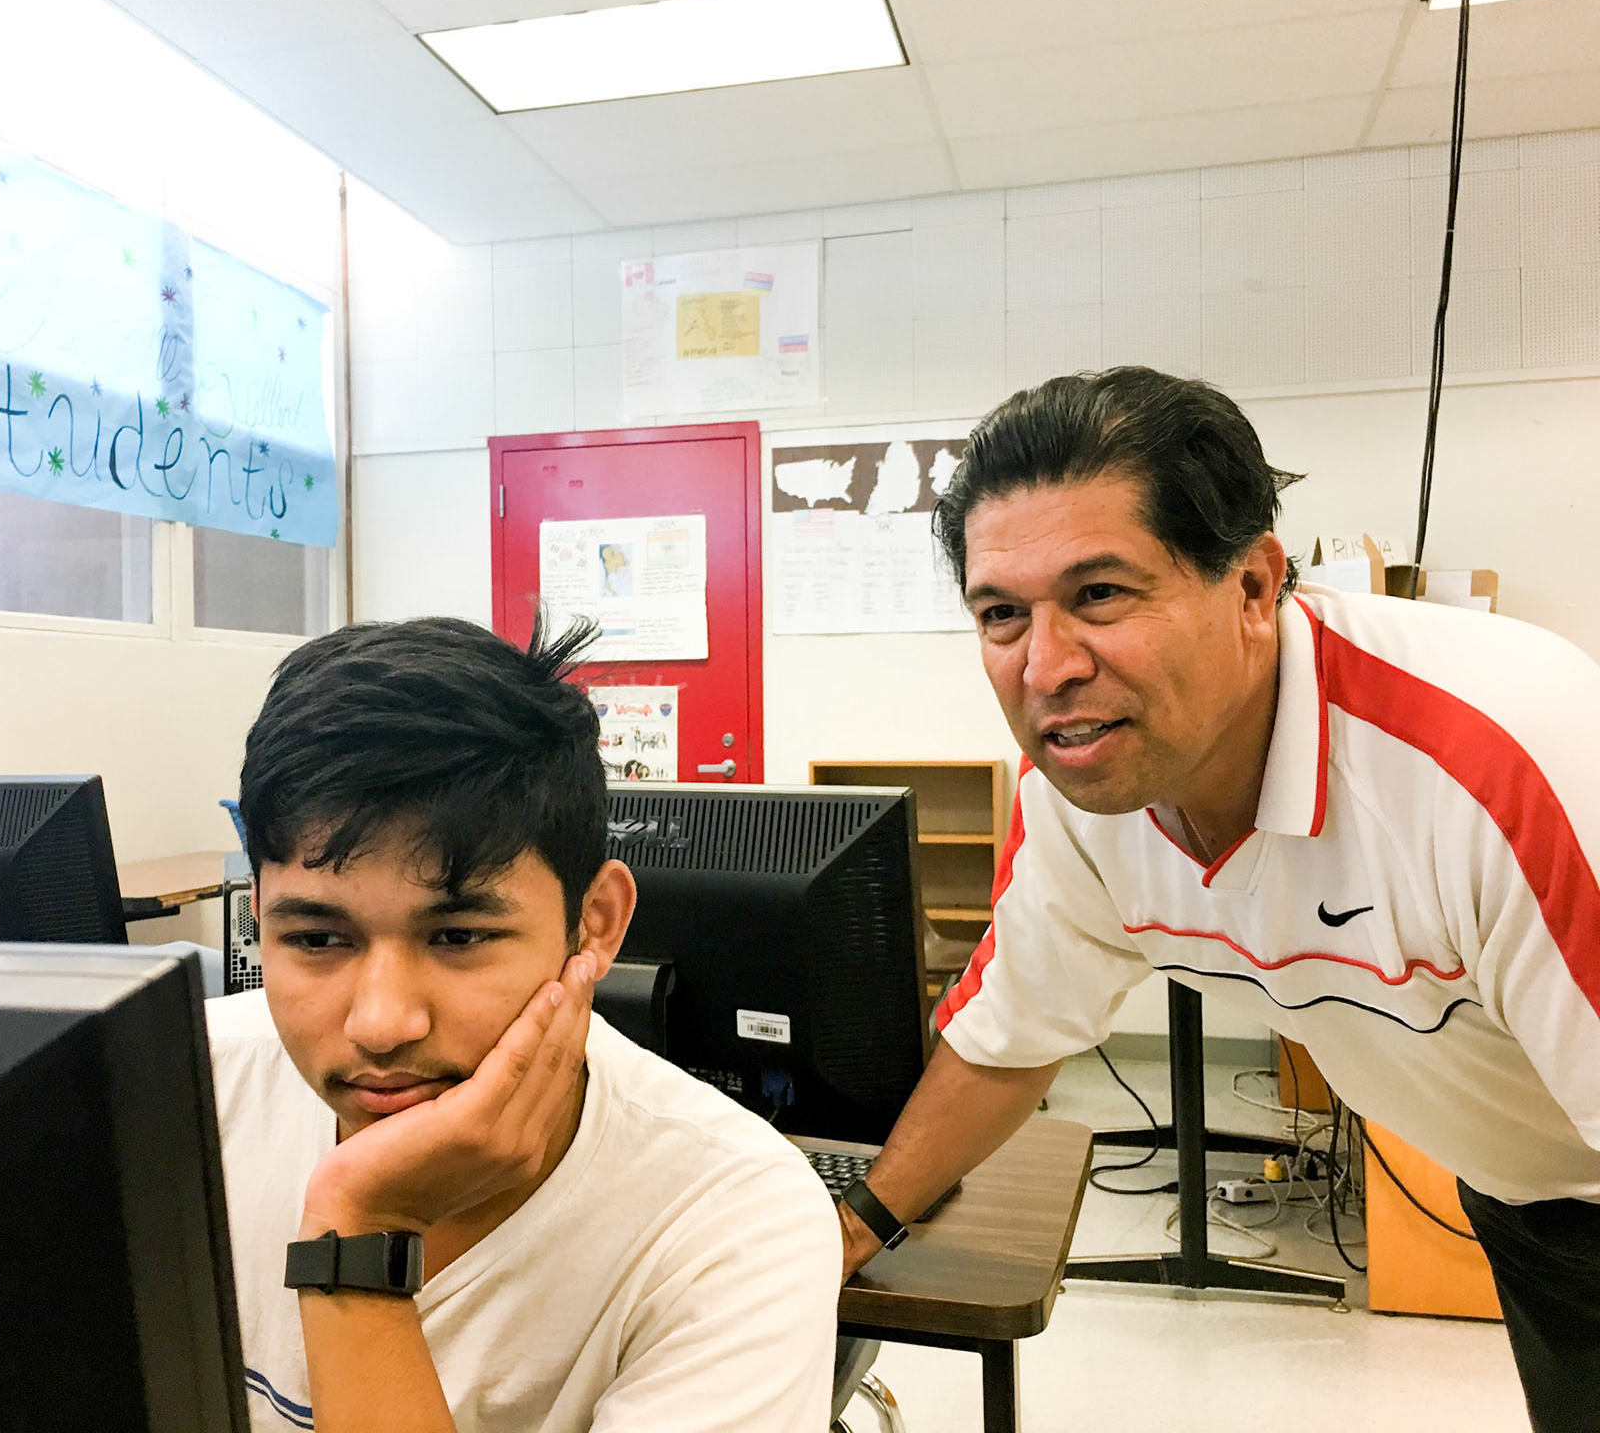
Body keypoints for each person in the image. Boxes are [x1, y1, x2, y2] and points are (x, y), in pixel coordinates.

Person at [836, 368, 1600, 1432]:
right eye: (1002, 614)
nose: (1045, 667)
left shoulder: (1502, 767)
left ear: (1253, 588)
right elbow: (1010, 1037)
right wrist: (854, 1225)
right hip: (1528, 1199)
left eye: (1100, 594)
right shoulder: (1085, 788)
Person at [208, 615, 840, 1433]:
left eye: (459, 936)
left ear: (596, 924)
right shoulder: (175, 1095)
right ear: (259, 918)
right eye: (318, 939)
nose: (381, 1024)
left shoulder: (733, 1220)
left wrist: (358, 1235)